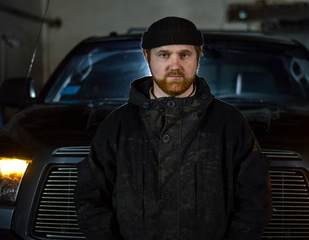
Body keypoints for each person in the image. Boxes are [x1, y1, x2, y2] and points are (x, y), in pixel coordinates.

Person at [74, 16, 272, 240]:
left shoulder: (229, 123)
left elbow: (254, 200)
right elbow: (90, 197)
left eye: (184, 55)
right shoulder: (118, 125)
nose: (175, 65)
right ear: (147, 57)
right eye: (164, 54)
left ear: (199, 58)